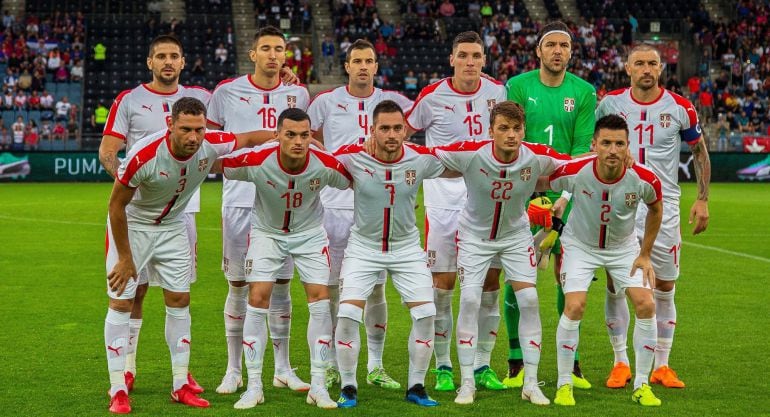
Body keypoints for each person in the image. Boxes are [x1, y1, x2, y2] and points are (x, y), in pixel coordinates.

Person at [104, 97, 276, 413]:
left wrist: (282, 135)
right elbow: (116, 206)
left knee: (180, 300)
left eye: (199, 129)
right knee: (121, 301)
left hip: (172, 228)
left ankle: (180, 383)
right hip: (135, 224)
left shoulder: (211, 143)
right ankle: (118, 387)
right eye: (186, 129)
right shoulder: (145, 155)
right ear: (170, 125)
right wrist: (126, 259)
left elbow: (250, 138)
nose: (194, 137)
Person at [433, 101, 570, 405]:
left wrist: (563, 198)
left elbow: (577, 165)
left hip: (515, 236)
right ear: (491, 129)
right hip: (474, 236)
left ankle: (531, 383)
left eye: (517, 128)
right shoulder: (471, 151)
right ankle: (467, 382)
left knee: (530, 300)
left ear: (524, 130)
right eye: (504, 128)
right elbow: (428, 156)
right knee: (469, 299)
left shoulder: (536, 156)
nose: (511, 135)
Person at [98, 34, 213, 396]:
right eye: (160, 56)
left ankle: (181, 374)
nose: (167, 61)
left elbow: (230, 133)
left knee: (178, 292)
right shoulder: (130, 99)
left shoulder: (202, 99)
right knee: (136, 289)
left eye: (174, 56)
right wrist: (131, 180)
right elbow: (108, 150)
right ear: (150, 62)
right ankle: (128, 368)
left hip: (182, 211)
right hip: (139, 208)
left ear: (183, 62)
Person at [596, 43, 710, 390]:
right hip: (619, 202)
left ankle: (662, 364)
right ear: (627, 68)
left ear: (661, 68)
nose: (647, 69)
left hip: (665, 205)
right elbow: (594, 148)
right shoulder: (610, 103)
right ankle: (620, 362)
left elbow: (699, 151)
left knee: (665, 286)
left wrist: (703, 199)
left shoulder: (679, 107)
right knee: (618, 284)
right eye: (640, 63)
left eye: (653, 63)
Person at [220, 108, 351, 409]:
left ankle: (318, 385)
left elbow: (354, 180)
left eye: (304, 135)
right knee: (258, 296)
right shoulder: (257, 160)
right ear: (277, 134)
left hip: (309, 234)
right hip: (266, 233)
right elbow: (221, 164)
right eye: (290, 134)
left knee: (319, 300)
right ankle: (254, 386)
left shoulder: (325, 164)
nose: (298, 141)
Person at [207, 25, 311, 396]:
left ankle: (283, 367)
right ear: (253, 54)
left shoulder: (297, 92)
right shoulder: (226, 92)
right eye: (265, 48)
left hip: (284, 202)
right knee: (238, 284)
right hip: (238, 198)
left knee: (282, 284)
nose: (272, 55)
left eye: (278, 49)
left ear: (286, 56)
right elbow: (213, 142)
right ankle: (233, 369)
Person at [307, 38, 413, 390]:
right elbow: (305, 137)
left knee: (377, 290)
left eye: (370, 60)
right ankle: (336, 363)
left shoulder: (393, 102)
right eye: (357, 61)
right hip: (336, 205)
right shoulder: (325, 102)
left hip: (378, 205)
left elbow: (417, 125)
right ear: (347, 66)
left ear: (376, 66)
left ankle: (377, 365)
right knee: (337, 288)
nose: (364, 66)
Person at [333, 100, 452, 408]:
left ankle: (416, 386)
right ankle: (348, 386)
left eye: (397, 128)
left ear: (405, 130)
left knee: (426, 314)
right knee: (346, 314)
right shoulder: (353, 157)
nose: (391, 134)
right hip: (363, 247)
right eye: (384, 128)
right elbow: (319, 159)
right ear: (372, 130)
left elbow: (460, 164)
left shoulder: (420, 159)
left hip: (406, 248)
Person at [406, 30, 507, 392]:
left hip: (486, 198)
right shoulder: (432, 96)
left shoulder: (498, 92)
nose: (469, 62)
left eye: (476, 56)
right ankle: (445, 364)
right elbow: (402, 135)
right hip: (443, 200)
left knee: (489, 283)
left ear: (484, 59)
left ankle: (482, 364)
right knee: (443, 284)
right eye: (463, 55)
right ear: (452, 59)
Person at [503, 20, 597, 390]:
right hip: (522, 193)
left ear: (571, 52)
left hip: (568, 194)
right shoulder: (518, 86)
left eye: (564, 45)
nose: (558, 50)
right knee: (519, 275)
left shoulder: (585, 92)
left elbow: (580, 150)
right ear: (539, 51)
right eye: (551, 45)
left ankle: (570, 361)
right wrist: (533, 184)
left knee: (566, 276)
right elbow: (512, 138)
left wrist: (560, 195)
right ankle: (516, 361)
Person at [548, 114, 663, 407]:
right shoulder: (575, 171)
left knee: (647, 304)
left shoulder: (644, 178)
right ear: (594, 145)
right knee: (574, 306)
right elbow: (541, 177)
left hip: (623, 248)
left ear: (628, 147)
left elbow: (656, 208)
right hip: (579, 245)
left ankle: (641, 385)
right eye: (606, 143)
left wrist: (645, 253)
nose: (613, 150)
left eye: (619, 144)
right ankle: (563, 384)